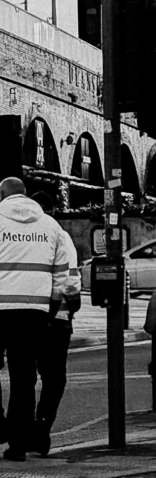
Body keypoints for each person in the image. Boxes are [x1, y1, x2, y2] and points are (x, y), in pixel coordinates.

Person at [0, 175, 74, 462]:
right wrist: (51, 308)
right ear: (26, 195)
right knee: (24, 377)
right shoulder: (49, 225)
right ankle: (18, 445)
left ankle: (0, 423)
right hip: (33, 311)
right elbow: (62, 276)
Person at [31, 213, 80, 457]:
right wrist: (73, 301)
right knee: (53, 378)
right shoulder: (59, 235)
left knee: (23, 375)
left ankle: (20, 429)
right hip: (56, 320)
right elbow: (69, 281)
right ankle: (42, 427)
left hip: (20, 315)